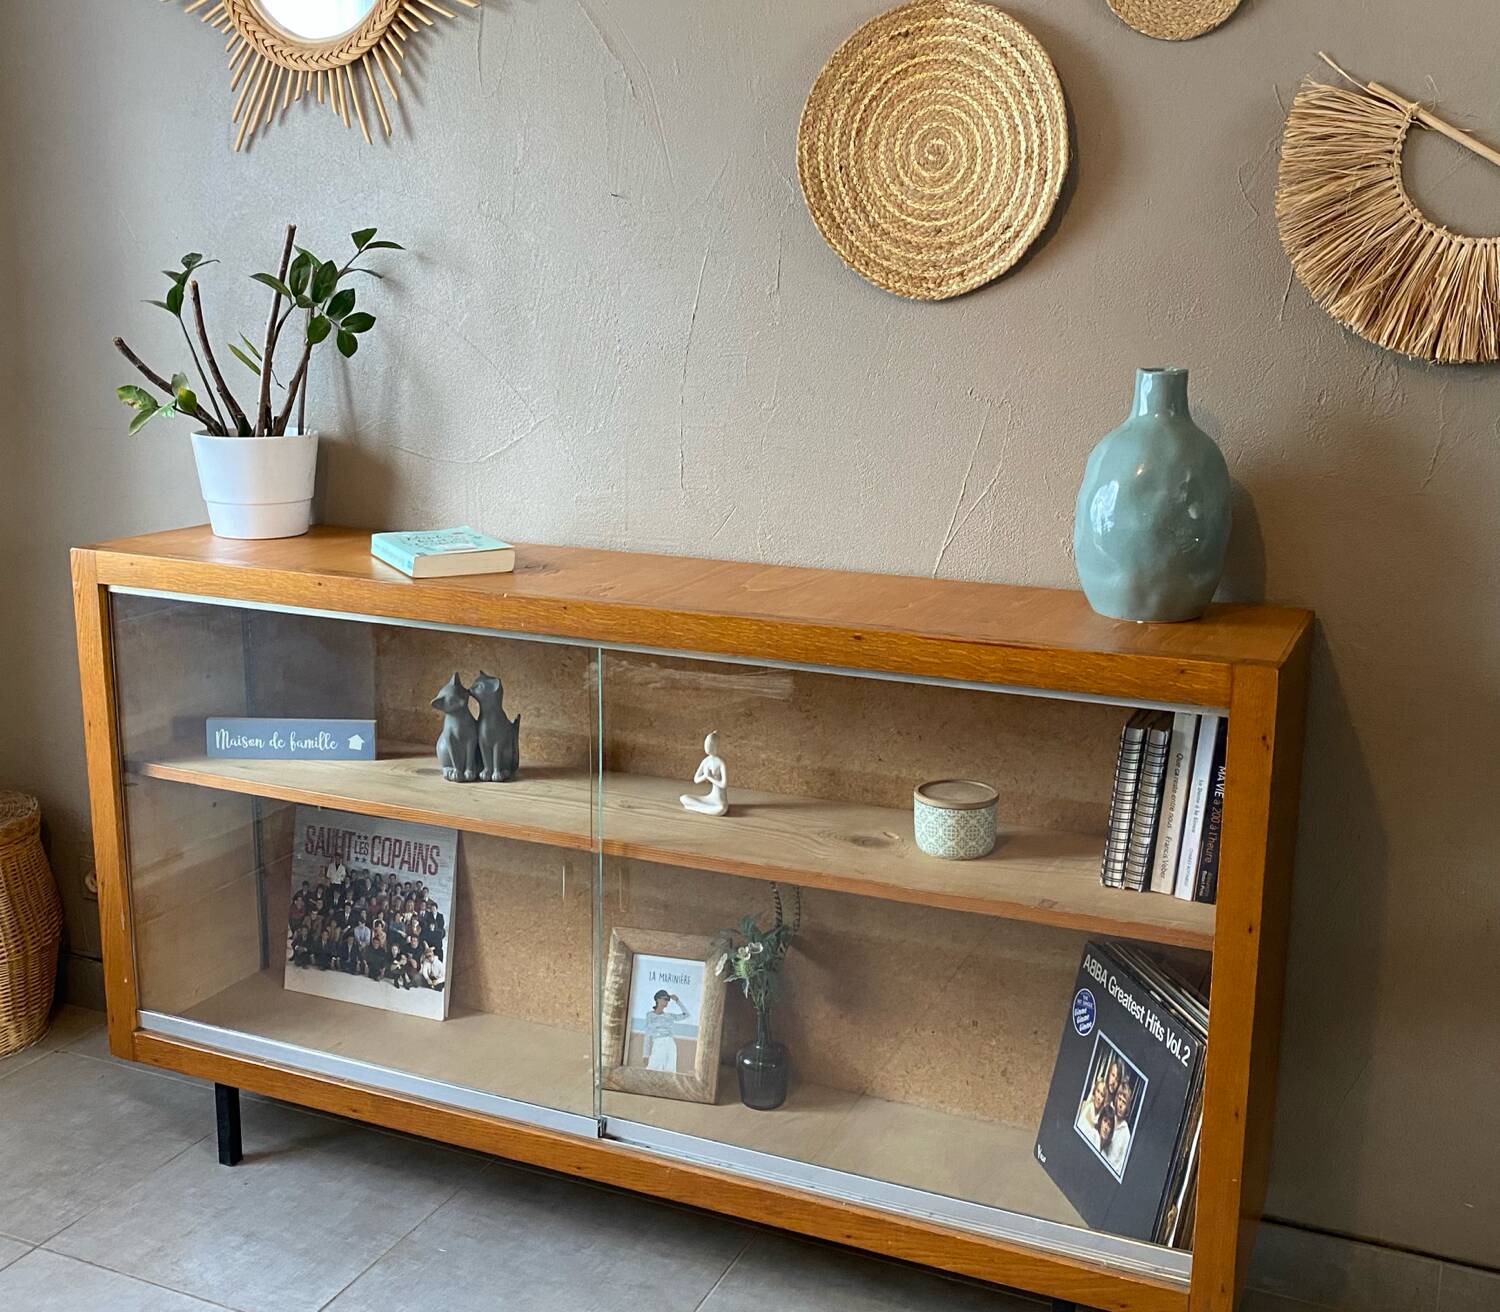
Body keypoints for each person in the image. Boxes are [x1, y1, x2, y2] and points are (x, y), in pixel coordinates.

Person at [640, 990, 689, 1072]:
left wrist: (678, 1001)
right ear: (658, 999)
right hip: (658, 1043)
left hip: (670, 1043)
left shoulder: (669, 1016)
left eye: (668, 1000)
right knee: (653, 1070)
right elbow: (648, 1035)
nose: (667, 1001)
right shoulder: (650, 1015)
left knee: (670, 1070)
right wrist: (645, 1054)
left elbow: (686, 1015)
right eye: (665, 999)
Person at [1106, 1081, 1135, 1174]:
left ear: (1127, 1107)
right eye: (1120, 1099)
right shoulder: (1107, 1113)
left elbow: (1121, 1165)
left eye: (1124, 1102)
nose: (1121, 1105)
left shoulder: (1126, 1134)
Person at [1076, 1073, 1109, 1139]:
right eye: (1098, 1091)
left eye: (1102, 1095)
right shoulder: (1083, 1106)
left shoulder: (1102, 1120)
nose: (1099, 1097)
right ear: (1094, 1091)